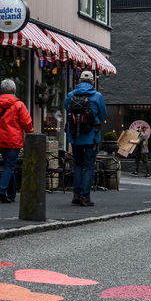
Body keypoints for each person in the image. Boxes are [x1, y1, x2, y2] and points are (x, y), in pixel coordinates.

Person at [0, 78, 33, 203]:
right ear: (14, 90)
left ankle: (11, 194)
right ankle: (1, 191)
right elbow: (27, 123)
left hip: (0, 141)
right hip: (14, 140)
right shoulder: (19, 105)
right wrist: (31, 134)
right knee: (10, 166)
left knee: (8, 166)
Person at [64, 70, 107, 206]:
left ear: (79, 81)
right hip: (91, 137)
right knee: (88, 167)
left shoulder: (71, 95)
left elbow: (66, 108)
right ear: (92, 82)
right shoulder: (97, 96)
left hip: (75, 137)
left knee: (77, 165)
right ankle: (85, 197)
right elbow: (103, 115)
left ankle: (76, 195)